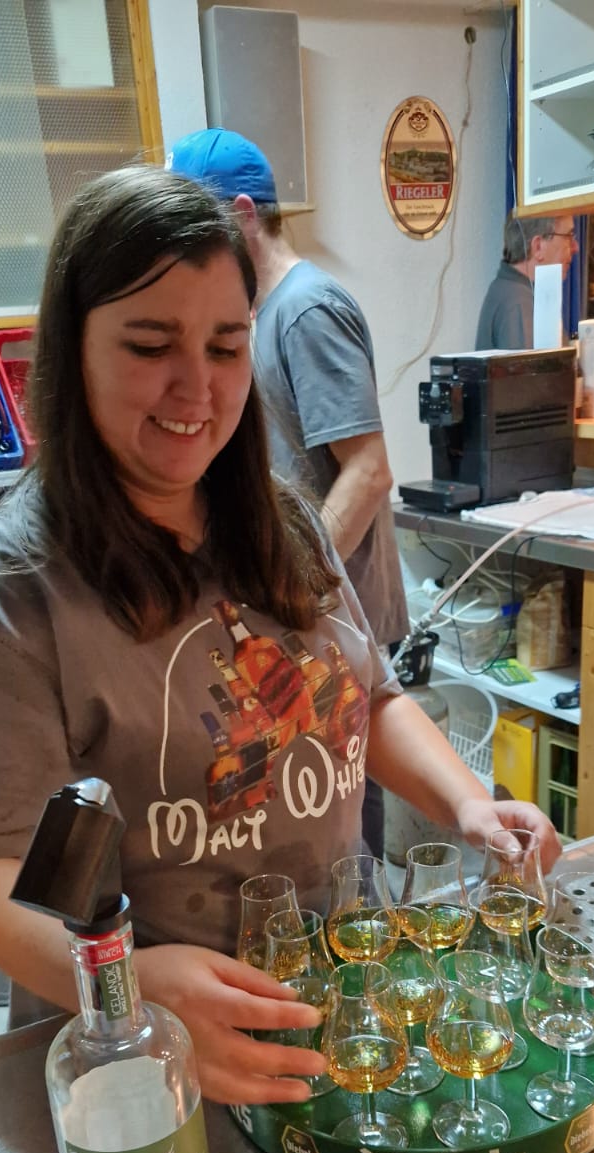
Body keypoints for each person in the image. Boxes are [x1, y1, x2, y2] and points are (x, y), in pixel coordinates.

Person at [0, 166, 559, 1107]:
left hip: (329, 993)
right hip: (139, 1055)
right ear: (73, 350)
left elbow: (368, 697)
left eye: (226, 345)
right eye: (150, 344)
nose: (197, 386)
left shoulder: (281, 519)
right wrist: (132, 990)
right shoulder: (9, 588)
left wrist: (468, 807)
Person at [168, 127, 408, 862]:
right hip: (291, 615)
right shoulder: (251, 314)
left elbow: (368, 470)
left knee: (348, 802)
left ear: (243, 215)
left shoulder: (305, 311)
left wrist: (292, 592)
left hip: (329, 612)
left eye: (199, 227)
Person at [476, 211, 579, 351]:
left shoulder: (512, 291)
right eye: (568, 236)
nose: (575, 247)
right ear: (538, 247)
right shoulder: (520, 304)